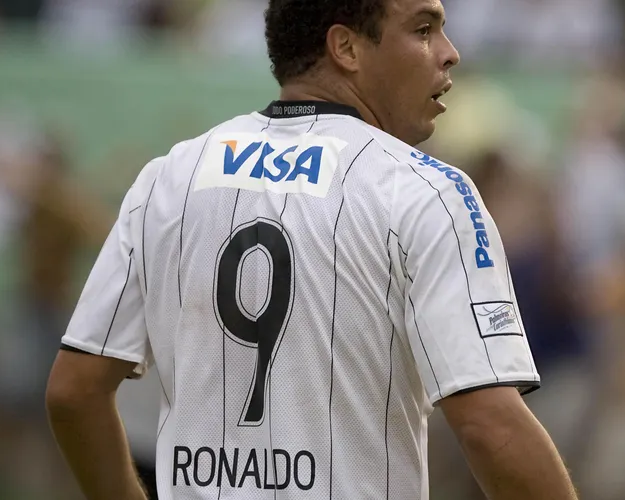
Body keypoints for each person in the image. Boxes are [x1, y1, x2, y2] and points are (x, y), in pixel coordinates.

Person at [44, 1, 578, 499]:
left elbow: (74, 391)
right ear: (345, 48)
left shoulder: (171, 176)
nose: (449, 51)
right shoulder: (425, 190)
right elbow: (489, 426)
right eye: (422, 29)